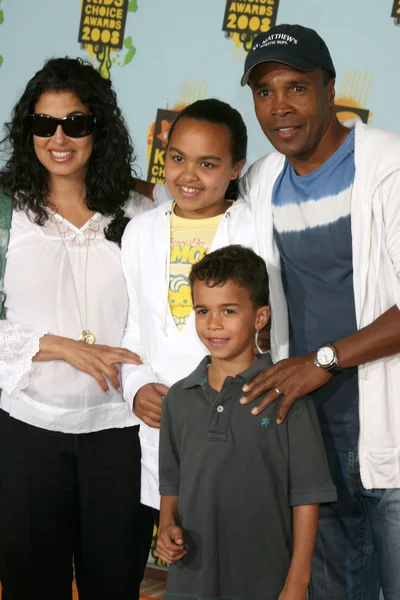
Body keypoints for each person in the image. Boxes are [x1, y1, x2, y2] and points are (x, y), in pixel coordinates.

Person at [236, 24, 400, 600]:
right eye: (264, 92)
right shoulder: (261, 182)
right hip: (309, 439)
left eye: (296, 87)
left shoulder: (389, 167)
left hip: (390, 433)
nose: (279, 107)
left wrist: (323, 361)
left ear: (331, 90)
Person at [0, 57, 156, 600]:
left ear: (100, 130)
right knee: (30, 586)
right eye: (44, 124)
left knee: (113, 586)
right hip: (27, 435)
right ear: (28, 132)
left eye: (76, 123)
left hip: (121, 435)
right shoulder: (6, 213)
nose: (59, 137)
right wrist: (56, 346)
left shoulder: (143, 211)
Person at [156, 245, 336, 600]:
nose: (214, 323)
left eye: (229, 310)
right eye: (203, 310)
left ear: (260, 317)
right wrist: (165, 528)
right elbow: (171, 483)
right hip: (189, 584)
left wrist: (297, 585)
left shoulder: (288, 396)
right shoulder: (178, 398)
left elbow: (306, 498)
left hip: (266, 586)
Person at [121, 99, 257, 518]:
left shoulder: (255, 227)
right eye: (177, 158)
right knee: (177, 545)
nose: (188, 175)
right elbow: (133, 330)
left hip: (237, 421)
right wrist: (136, 388)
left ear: (236, 168)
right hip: (161, 423)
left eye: (208, 164)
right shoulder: (141, 231)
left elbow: (270, 329)